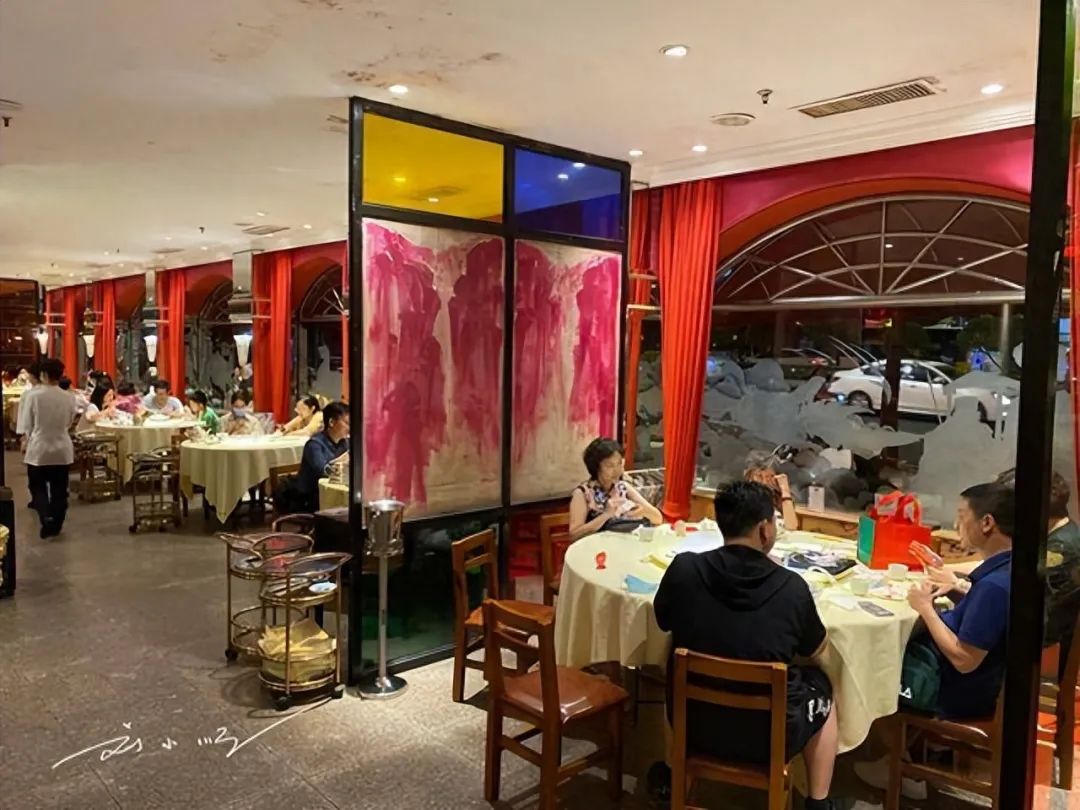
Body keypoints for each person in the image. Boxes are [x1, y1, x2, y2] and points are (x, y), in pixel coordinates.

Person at [652, 480, 839, 810]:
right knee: (822, 683)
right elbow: (817, 649)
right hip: (769, 738)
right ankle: (818, 803)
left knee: (673, 653)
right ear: (765, 529)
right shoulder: (792, 588)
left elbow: (663, 621)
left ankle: (672, 772)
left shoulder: (684, 569)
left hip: (693, 724)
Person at [856, 482, 1014, 798]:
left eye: (962, 516)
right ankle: (906, 755)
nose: (956, 524)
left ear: (987, 523)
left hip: (958, 690)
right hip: (980, 681)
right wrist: (954, 590)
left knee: (868, 668)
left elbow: (965, 660)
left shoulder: (995, 586)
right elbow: (981, 620)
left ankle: (900, 768)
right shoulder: (1008, 569)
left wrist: (925, 608)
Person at [18, 358, 77, 539]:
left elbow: (27, 424)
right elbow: (69, 422)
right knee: (60, 489)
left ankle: (45, 517)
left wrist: (26, 439)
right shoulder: (69, 397)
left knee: (37, 486)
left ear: (43, 375)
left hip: (39, 448)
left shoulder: (34, 396)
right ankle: (56, 522)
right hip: (62, 448)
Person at [568, 437, 663, 541]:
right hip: (596, 548)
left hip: (623, 545)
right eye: (610, 465)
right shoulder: (582, 493)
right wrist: (606, 515)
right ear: (596, 467)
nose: (617, 470)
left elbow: (658, 518)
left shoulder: (623, 487)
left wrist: (642, 511)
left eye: (619, 463)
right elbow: (574, 535)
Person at [280, 401, 349, 513]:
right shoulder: (314, 445)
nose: (349, 428)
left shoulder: (344, 443)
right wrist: (343, 461)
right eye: (346, 423)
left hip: (329, 493)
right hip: (309, 499)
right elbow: (324, 471)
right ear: (331, 422)